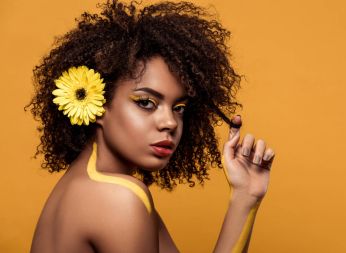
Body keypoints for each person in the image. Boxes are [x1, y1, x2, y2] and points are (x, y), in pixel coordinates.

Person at [26, 0, 275, 252]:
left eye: (179, 108)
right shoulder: (119, 199)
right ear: (97, 104)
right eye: (146, 102)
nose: (170, 123)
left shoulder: (81, 186)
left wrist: (246, 196)